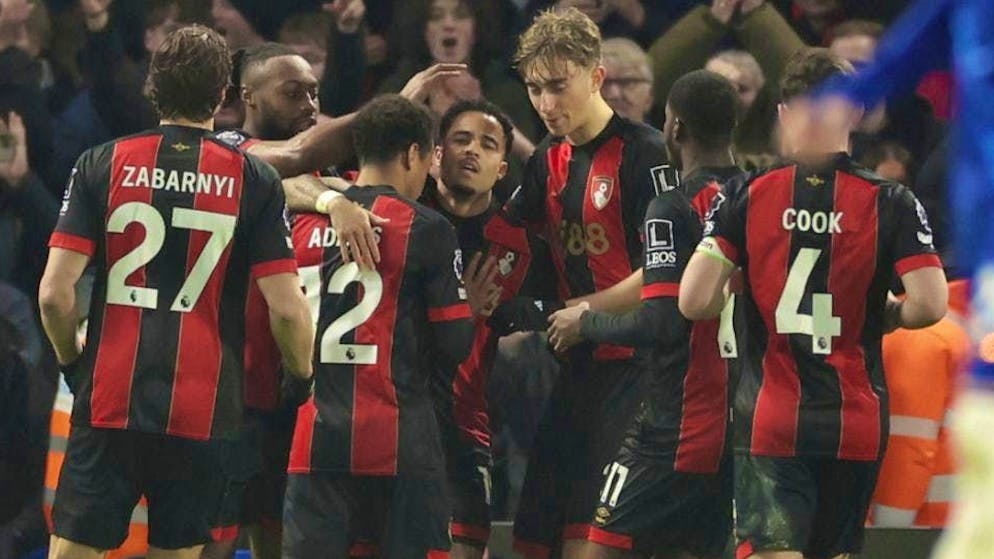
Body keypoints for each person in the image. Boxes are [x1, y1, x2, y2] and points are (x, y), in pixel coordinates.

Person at [37, 25, 315, 559]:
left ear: (152, 87)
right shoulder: (253, 179)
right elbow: (288, 308)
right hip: (203, 407)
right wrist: (300, 377)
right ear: (223, 96)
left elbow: (54, 294)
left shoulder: (100, 162)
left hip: (110, 397)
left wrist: (74, 363)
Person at [678, 47, 948, 559]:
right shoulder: (892, 201)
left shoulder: (744, 194)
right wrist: (888, 313)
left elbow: (693, 301)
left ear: (783, 115)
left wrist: (739, 287)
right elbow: (930, 306)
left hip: (772, 416)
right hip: (857, 421)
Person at [545, 69, 741, 559]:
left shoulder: (672, 207)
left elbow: (661, 322)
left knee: (598, 551)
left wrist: (585, 321)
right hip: (742, 424)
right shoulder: (758, 197)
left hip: (676, 425)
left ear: (674, 128)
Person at [501, 8, 675, 559]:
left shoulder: (646, 152)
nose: (546, 103)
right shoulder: (545, 162)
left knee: (595, 541)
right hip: (574, 369)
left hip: (637, 370)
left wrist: (587, 311)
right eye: (534, 88)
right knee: (534, 535)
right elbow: (509, 245)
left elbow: (665, 266)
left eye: (558, 85)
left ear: (596, 77)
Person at [282, 94, 475, 559]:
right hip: (399, 440)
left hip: (314, 437)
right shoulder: (428, 228)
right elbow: (455, 344)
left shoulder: (300, 222)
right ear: (413, 154)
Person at [421, 99, 557, 559]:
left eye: (487, 144)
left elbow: (559, 306)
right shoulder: (400, 215)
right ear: (436, 154)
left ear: (502, 169)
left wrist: (521, 316)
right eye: (460, 139)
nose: (472, 151)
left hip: (464, 423)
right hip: (396, 418)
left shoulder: (518, 245)